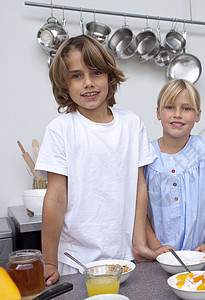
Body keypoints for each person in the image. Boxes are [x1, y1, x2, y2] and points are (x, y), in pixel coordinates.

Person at [35, 35, 157, 285]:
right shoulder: (60, 129)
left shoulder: (132, 124)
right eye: (76, 75)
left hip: (124, 258)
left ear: (110, 77)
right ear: (64, 83)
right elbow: (56, 197)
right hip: (74, 261)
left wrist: (139, 242)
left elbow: (139, 187)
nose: (88, 83)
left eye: (96, 73)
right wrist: (49, 261)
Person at [143, 79, 205, 259]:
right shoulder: (145, 156)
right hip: (157, 256)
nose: (177, 114)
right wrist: (155, 246)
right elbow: (138, 208)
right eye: (169, 107)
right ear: (158, 113)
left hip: (200, 254)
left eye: (186, 108)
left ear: (198, 115)